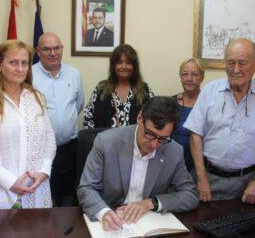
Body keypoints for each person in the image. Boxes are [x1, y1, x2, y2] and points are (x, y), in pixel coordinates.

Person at [184, 38, 255, 204]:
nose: (235, 70)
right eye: (230, 63)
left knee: (241, 227)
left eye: (242, 63)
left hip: (246, 183)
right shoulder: (210, 91)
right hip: (207, 178)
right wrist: (201, 177)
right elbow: (195, 134)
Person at [78, 96, 199, 231]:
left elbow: (190, 195)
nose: (154, 144)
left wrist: (150, 203)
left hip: (149, 221)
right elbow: (86, 188)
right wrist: (103, 212)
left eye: (162, 139)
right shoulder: (106, 142)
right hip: (113, 219)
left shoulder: (174, 151)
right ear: (140, 118)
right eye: (150, 134)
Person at [0, 40, 56, 209]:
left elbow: (49, 138)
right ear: (0, 65)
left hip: (35, 190)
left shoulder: (36, 98)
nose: (20, 68)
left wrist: (44, 171)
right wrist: (9, 181)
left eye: (24, 63)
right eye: (13, 62)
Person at [32, 32, 84, 206]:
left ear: (62, 49)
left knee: (69, 195)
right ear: (38, 51)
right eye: (47, 49)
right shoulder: (28, 75)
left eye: (57, 48)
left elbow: (78, 105)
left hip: (69, 148)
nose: (53, 53)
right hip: (40, 150)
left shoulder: (74, 74)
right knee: (45, 195)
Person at [83, 44, 153, 129]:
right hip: (105, 141)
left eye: (128, 63)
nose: (124, 66)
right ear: (113, 66)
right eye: (119, 62)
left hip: (134, 142)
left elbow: (153, 120)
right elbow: (88, 119)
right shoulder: (101, 89)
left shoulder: (145, 90)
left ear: (134, 66)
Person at [172, 58, 204, 172]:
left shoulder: (209, 104)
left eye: (195, 74)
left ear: (202, 77)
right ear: (180, 77)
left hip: (200, 167)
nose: (189, 79)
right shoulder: (170, 103)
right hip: (173, 164)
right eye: (185, 74)